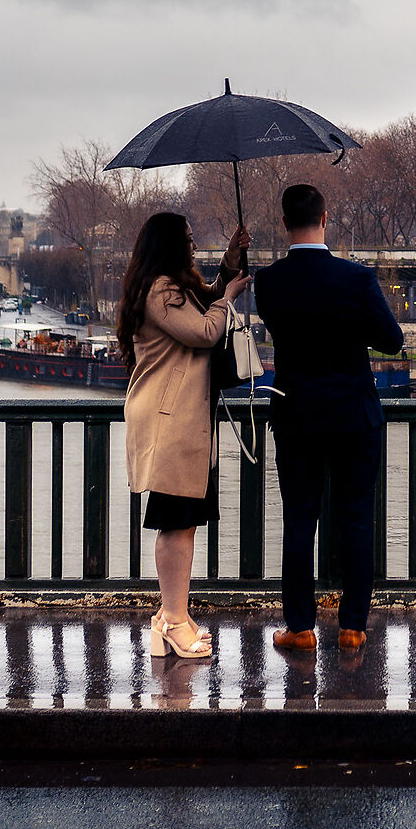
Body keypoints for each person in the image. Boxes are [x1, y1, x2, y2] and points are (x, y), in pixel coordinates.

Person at [253, 182, 406, 654]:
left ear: (284, 224)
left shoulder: (268, 282)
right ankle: (352, 626)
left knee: (300, 521)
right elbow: (392, 340)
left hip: (297, 414)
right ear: (325, 218)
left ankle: (299, 626)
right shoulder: (356, 279)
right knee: (356, 520)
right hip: (353, 414)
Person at [118, 210, 248, 662]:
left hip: (183, 420)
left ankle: (175, 615)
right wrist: (228, 297)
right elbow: (205, 330)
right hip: (169, 421)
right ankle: (172, 620)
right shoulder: (160, 290)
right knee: (176, 521)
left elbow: (202, 302)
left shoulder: (170, 286)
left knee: (184, 521)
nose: (194, 244)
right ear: (169, 244)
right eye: (189, 238)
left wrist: (229, 266)